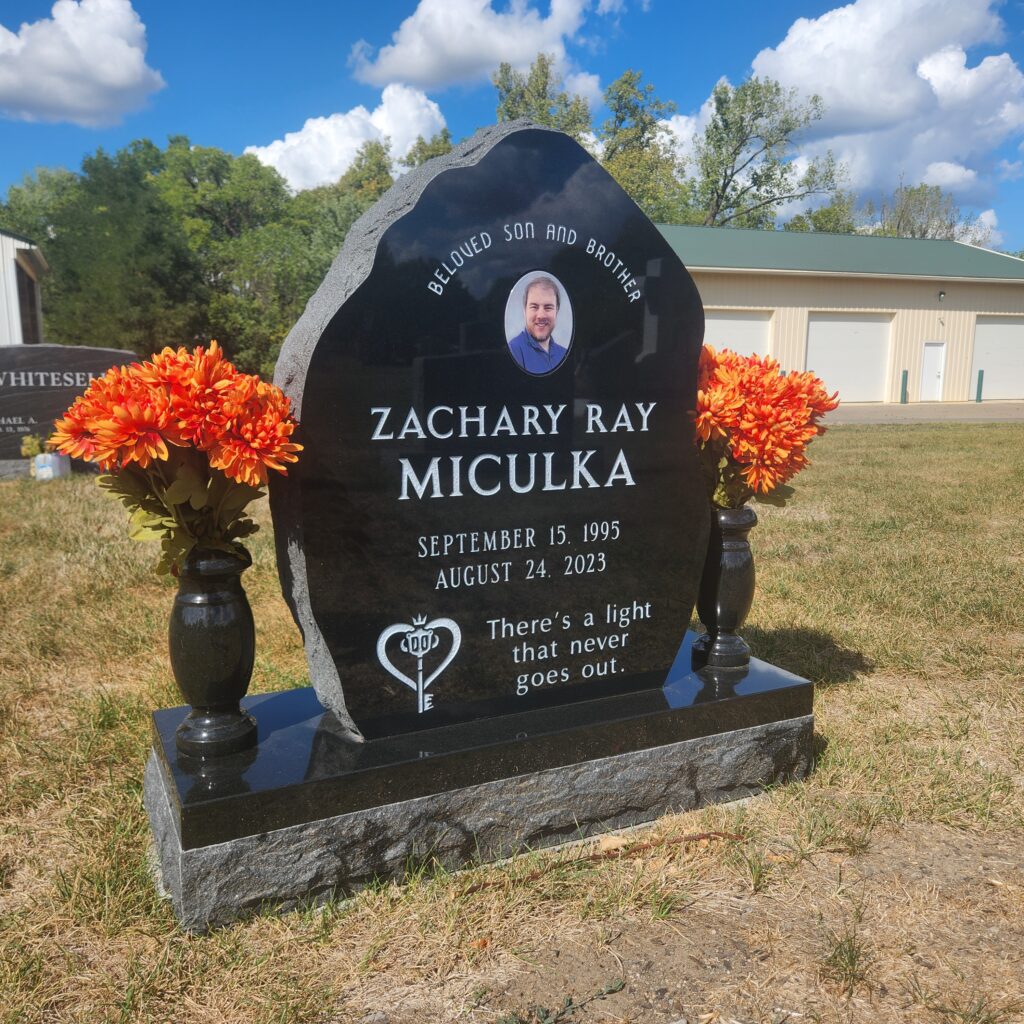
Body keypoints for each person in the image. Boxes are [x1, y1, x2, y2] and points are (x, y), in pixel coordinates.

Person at [507, 276, 568, 374]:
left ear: (557, 311)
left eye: (548, 307)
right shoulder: (514, 351)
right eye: (534, 307)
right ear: (524, 311)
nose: (541, 315)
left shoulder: (563, 353)